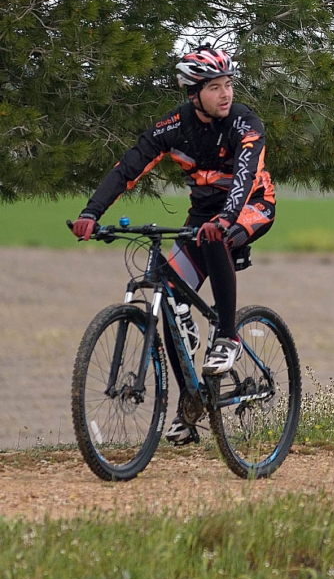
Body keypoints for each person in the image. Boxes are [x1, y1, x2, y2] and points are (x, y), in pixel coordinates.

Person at [70, 45, 276, 444]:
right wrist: (91, 213)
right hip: (202, 217)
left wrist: (225, 220)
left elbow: (246, 178)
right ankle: (190, 407)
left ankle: (228, 335)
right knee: (166, 297)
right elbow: (128, 168)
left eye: (228, 84)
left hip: (251, 206)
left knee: (217, 239)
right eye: (214, 87)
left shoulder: (245, 124)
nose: (225, 94)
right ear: (193, 93)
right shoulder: (173, 127)